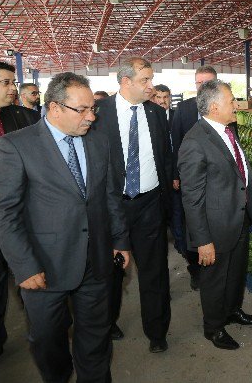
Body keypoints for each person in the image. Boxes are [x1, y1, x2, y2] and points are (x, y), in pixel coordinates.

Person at [0, 72, 130, 381]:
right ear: (54, 108)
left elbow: (109, 195)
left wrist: (120, 240)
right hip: (44, 266)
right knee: (46, 340)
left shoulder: (98, 141)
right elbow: (6, 213)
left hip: (95, 260)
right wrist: (24, 266)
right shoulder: (15, 146)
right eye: (82, 110)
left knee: (96, 337)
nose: (91, 117)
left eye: (92, 109)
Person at [93, 57, 172, 353]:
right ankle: (107, 321)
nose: (151, 87)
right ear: (125, 82)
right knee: (111, 271)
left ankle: (157, 331)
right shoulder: (99, 115)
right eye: (145, 81)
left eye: (151, 80)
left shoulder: (155, 113)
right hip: (113, 207)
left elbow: (164, 157)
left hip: (150, 203)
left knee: (155, 271)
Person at [178, 80, 252, 350]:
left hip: (238, 218)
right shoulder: (194, 142)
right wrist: (203, 240)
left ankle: (232, 310)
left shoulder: (225, 130)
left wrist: (251, 207)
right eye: (232, 101)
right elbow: (191, 198)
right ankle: (213, 327)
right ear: (215, 107)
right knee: (215, 280)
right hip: (214, 226)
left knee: (236, 272)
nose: (236, 105)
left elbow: (240, 174)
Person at [0, 61, 40, 359]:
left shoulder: (22, 117)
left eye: (13, 82)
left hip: (19, 214)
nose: (13, 88)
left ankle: (43, 330)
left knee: (28, 274)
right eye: (6, 82)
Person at [170, 66, 220, 290]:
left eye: (207, 83)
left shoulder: (224, 108)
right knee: (193, 223)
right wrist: (175, 174)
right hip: (191, 179)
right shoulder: (184, 109)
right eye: (199, 83)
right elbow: (175, 143)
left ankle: (215, 266)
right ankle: (195, 269)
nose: (203, 87)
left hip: (217, 179)